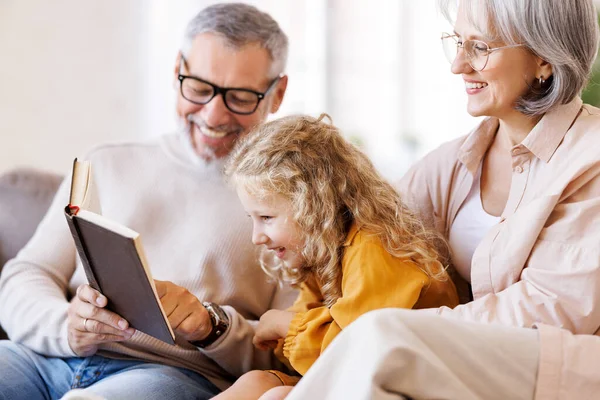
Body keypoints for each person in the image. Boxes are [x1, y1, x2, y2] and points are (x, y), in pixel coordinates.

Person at [281, 0, 600, 398]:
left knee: (381, 336)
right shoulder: (452, 162)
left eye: (480, 47)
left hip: (562, 370)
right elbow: (371, 244)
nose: (458, 65)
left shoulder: (591, 158)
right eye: (458, 42)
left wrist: (414, 331)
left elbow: (551, 312)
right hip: (467, 365)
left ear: (544, 59)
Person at [0, 3, 296, 399]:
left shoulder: (294, 204)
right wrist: (66, 326)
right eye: (199, 88)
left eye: (240, 97)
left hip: (170, 374)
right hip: (47, 359)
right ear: (177, 70)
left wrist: (212, 325)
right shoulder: (106, 162)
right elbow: (27, 273)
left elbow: (290, 352)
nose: (213, 114)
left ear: (277, 94)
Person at [214, 114, 459, 400]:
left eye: (266, 217)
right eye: (253, 219)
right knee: (256, 382)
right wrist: (284, 325)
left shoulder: (375, 246)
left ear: (313, 205)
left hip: (407, 385)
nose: (257, 236)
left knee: (276, 397)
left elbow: (352, 349)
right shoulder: (325, 254)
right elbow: (306, 323)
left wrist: (284, 325)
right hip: (354, 378)